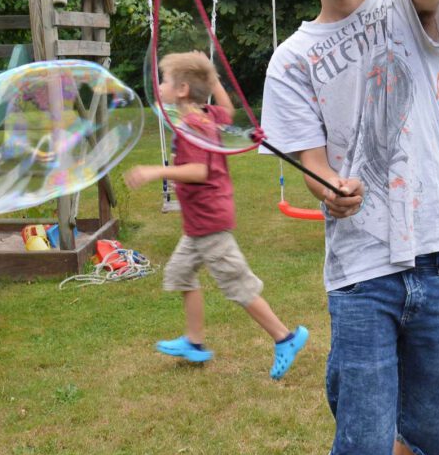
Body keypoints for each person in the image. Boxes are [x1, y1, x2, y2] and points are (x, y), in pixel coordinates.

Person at [261, 0, 439, 455]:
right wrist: (328, 188)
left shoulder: (407, 6)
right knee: (360, 444)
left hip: (437, 255)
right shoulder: (291, 59)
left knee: (427, 432)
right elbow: (313, 163)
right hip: (360, 272)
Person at [124, 51, 308, 380]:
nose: (160, 86)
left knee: (238, 286)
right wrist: (214, 78)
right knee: (180, 273)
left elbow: (198, 170)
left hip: (209, 222)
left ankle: (286, 338)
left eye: (164, 80)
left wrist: (155, 170)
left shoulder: (193, 125)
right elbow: (228, 111)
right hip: (199, 222)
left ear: (181, 89)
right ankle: (194, 342)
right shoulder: (206, 114)